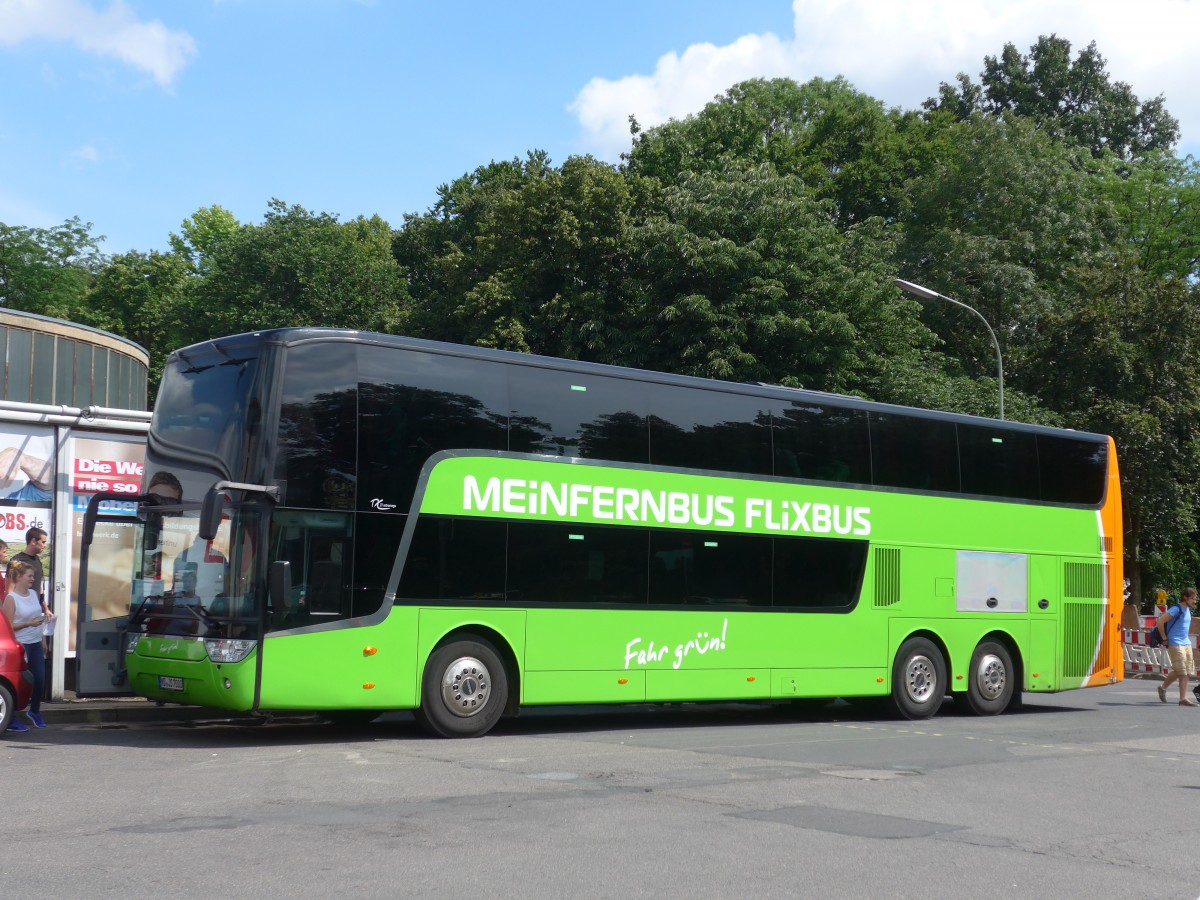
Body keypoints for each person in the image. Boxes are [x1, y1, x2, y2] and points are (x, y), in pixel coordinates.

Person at [2, 558, 53, 729]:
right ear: (19, 577)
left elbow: (38, 617)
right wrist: (27, 624)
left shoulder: (33, 594)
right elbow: (7, 627)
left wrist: (43, 638)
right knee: (18, 683)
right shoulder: (11, 599)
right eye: (29, 576)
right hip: (20, 645)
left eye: (33, 576)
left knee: (40, 679)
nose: (32, 579)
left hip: (36, 642)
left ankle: (35, 711)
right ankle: (11, 718)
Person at [1155, 586, 1197, 706]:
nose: (1195, 601)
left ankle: (1163, 687)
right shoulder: (1176, 609)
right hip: (1175, 642)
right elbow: (1160, 621)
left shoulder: (1188, 610)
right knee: (1182, 671)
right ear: (1185, 597)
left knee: (1187, 671)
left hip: (1186, 642)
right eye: (1193, 598)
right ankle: (1183, 699)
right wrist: (1164, 638)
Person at [12, 527, 51, 621]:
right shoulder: (17, 561)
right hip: (21, 614)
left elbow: (38, 586)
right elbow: (10, 589)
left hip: (35, 611)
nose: (45, 545)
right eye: (43, 542)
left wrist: (45, 609)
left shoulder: (37, 560)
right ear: (33, 541)